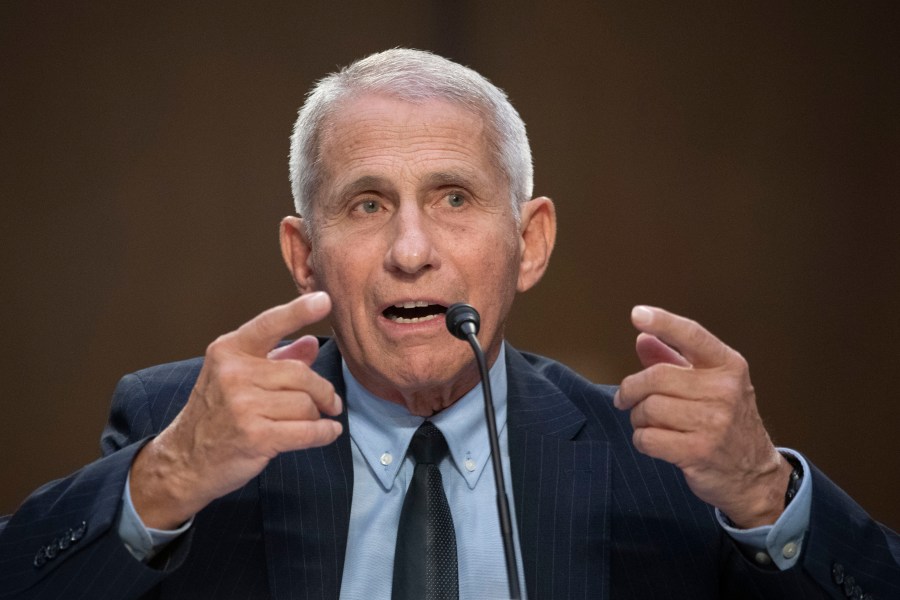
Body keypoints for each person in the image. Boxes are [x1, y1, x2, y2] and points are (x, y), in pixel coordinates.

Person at [0, 48, 897, 600]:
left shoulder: (665, 464)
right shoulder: (178, 429)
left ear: (529, 243)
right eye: (365, 205)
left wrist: (765, 498)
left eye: (454, 198)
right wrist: (164, 478)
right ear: (303, 255)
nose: (411, 250)